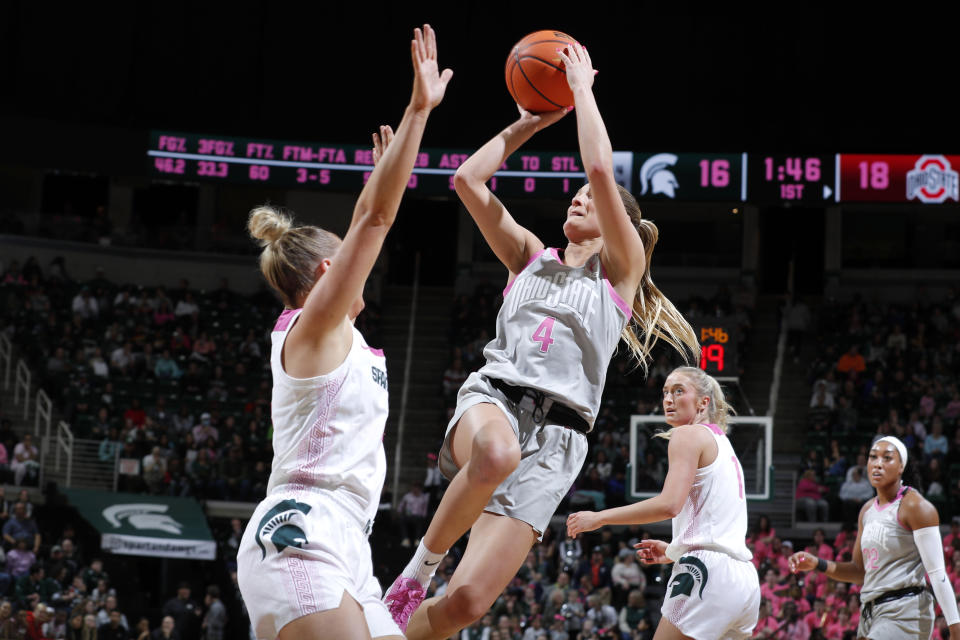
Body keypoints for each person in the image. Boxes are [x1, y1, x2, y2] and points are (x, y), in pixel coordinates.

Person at [383, 42, 698, 639]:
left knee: (469, 603)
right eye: (574, 192)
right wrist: (526, 123)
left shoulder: (619, 276)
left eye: (590, 197)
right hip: (496, 401)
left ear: (618, 227)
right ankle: (415, 572)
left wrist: (583, 90)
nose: (579, 194)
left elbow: (603, 171)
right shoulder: (528, 256)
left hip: (559, 441)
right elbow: (467, 180)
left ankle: (383, 634)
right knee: (496, 454)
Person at [235, 24, 452, 640]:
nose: (369, 261)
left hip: (348, 542)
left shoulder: (342, 338)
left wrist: (379, 174)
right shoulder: (310, 330)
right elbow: (377, 219)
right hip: (302, 528)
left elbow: (366, 214)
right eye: (352, 255)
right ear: (329, 272)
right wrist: (417, 113)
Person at [566, 366, 760, 639]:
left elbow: (669, 505)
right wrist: (673, 551)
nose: (668, 399)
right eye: (665, 392)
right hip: (744, 582)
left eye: (679, 391)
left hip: (708, 573)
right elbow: (716, 524)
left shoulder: (687, 435)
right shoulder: (723, 443)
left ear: (703, 401)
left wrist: (599, 518)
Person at [789, 435, 960, 639]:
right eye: (873, 457)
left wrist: (955, 629)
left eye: (887, 458)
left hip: (906, 610)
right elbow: (859, 572)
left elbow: (937, 573)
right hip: (871, 612)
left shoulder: (916, 507)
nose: (878, 464)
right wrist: (817, 563)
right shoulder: (867, 510)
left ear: (901, 467)